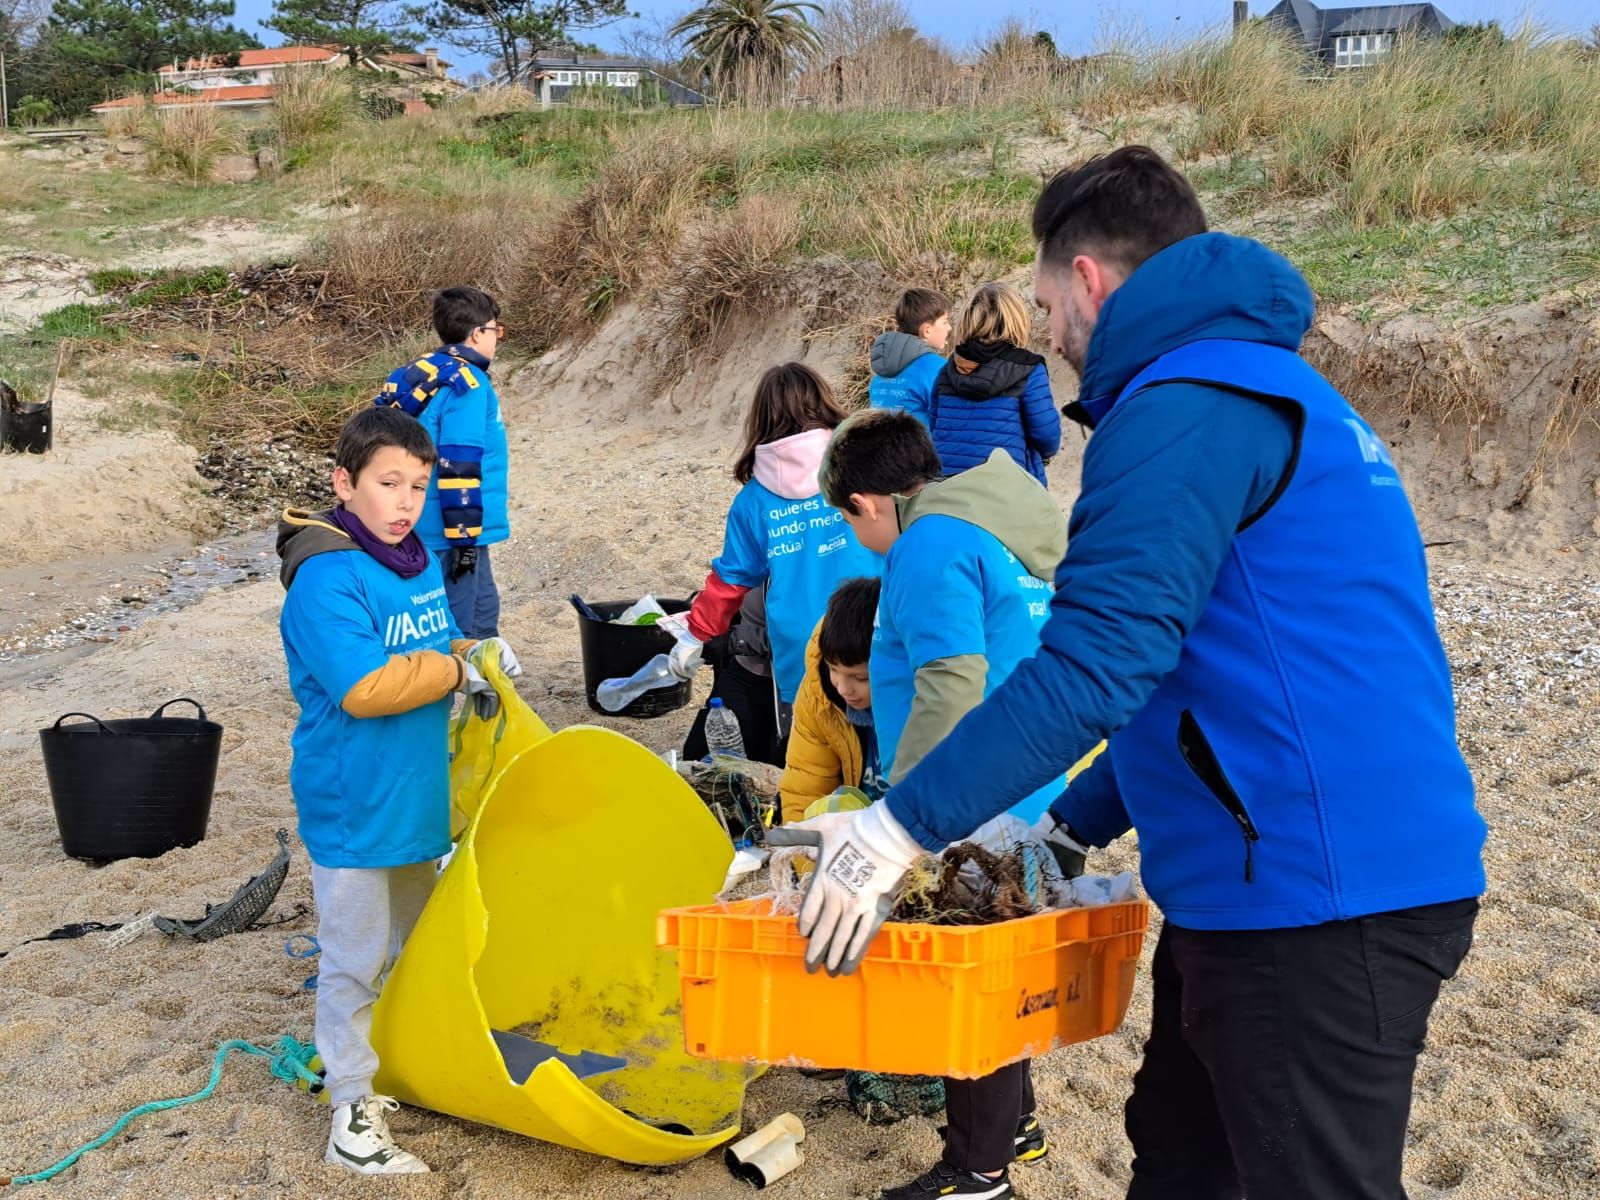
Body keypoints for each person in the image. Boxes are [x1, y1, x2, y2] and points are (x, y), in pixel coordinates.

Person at [777, 146, 1487, 1200]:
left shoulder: (1186, 403)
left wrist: (895, 830)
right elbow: (1196, 668)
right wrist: (1066, 824)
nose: (1048, 332)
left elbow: (1099, 662)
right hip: (1261, 880)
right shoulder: (1269, 388)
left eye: (1046, 301)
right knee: (1180, 1150)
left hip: (1318, 893)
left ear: (1090, 281)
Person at [774, 408, 1068, 1200]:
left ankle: (977, 1172)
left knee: (965, 980)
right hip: (1026, 780)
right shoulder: (986, 529)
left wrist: (909, 813)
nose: (853, 535)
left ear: (869, 503)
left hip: (975, 796)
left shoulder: (927, 545)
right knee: (1001, 969)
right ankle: (1020, 1128)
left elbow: (951, 678)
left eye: (847, 519)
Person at [277, 407, 522, 1175]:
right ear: (343, 483)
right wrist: (456, 672)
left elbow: (427, 644)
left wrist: (469, 649)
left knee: (414, 943)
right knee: (353, 958)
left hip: (416, 792)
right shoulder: (325, 577)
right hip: (353, 801)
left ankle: (402, 1063)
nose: (406, 500)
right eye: (389, 483)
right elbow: (366, 685)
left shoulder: (413, 559)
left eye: (419, 486)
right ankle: (349, 1111)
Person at [667, 363, 881, 759]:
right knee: (871, 745)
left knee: (810, 747)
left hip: (797, 646)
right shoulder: (860, 467)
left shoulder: (754, 498)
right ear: (824, 402)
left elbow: (732, 578)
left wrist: (695, 634)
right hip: (868, 628)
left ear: (761, 420)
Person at [376, 286, 510, 640]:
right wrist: (464, 539)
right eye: (497, 330)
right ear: (478, 333)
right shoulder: (468, 384)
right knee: (462, 621)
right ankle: (461, 683)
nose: (498, 339)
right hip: (454, 528)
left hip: (421, 521)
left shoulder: (419, 374)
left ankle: (482, 681)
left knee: (474, 606)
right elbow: (458, 463)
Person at [929, 281, 1061, 487]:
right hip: (1007, 488)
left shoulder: (948, 370)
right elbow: (1047, 437)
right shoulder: (1028, 368)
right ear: (1016, 320)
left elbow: (934, 427)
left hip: (948, 488)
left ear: (968, 319)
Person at [779, 576, 886, 823]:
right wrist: (808, 859)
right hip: (855, 834)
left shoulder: (932, 694)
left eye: (860, 677)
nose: (843, 688)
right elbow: (804, 790)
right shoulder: (819, 695)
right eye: (833, 669)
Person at [867, 287, 951, 428]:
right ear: (927, 331)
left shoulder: (881, 368)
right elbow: (949, 420)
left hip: (881, 448)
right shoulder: (936, 368)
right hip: (921, 449)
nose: (949, 328)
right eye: (945, 322)